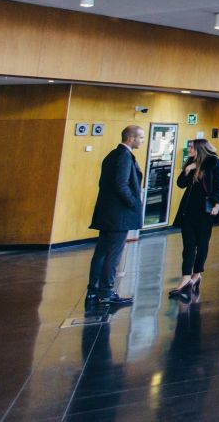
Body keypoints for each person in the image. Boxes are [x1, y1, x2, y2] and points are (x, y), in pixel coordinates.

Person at [86, 125, 145, 306]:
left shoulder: (112, 155)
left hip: (107, 212)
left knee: (101, 252)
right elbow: (121, 184)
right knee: (113, 254)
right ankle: (106, 292)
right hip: (118, 215)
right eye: (141, 138)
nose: (142, 141)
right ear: (130, 138)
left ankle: (93, 291)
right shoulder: (124, 157)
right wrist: (134, 202)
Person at [170, 139, 219, 299]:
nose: (189, 150)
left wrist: (216, 204)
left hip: (205, 211)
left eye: (191, 148)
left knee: (201, 244)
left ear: (200, 149)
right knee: (188, 244)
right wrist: (188, 169)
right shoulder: (190, 163)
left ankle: (197, 273)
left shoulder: (214, 163)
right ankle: (186, 276)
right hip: (188, 210)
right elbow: (181, 184)